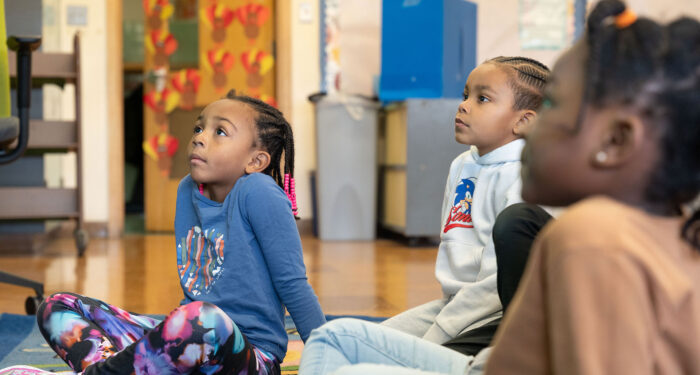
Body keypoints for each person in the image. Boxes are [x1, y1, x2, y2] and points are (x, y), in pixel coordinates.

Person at [298, 1, 700, 374]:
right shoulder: (652, 233)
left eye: (553, 106)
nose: (534, 126)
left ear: (615, 142)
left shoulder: (590, 235)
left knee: (349, 357)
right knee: (338, 340)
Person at [32, 92, 326, 375]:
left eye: (220, 132)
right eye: (199, 127)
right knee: (56, 306)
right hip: (188, 348)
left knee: (202, 320)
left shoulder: (259, 192)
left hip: (249, 359)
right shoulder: (187, 189)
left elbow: (294, 286)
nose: (199, 137)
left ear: (256, 162)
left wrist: (329, 357)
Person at [381, 56, 550, 348]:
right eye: (466, 95)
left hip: (493, 314)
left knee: (409, 358)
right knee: (354, 340)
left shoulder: (526, 174)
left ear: (523, 121)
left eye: (482, 98)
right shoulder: (462, 164)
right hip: (453, 307)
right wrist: (442, 321)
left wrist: (437, 335)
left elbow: (494, 288)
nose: (464, 105)